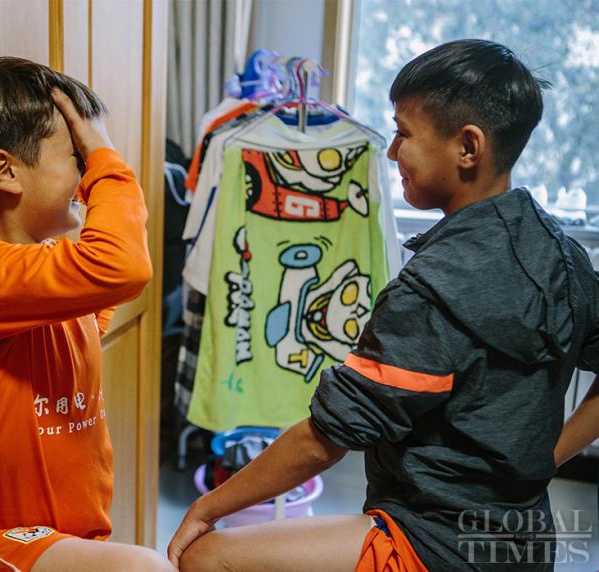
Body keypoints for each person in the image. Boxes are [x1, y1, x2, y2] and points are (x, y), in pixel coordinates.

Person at [168, 39, 599, 572]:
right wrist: (543, 459)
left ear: (468, 147)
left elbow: (323, 442)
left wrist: (206, 507)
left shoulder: (437, 287)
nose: (392, 152)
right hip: (526, 539)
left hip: (435, 545)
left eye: (402, 133)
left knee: (209, 557)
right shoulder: (564, 255)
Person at [0, 57, 170, 572]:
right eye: (77, 158)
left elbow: (109, 267)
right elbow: (122, 265)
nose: (88, 177)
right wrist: (105, 156)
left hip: (67, 543)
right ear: (5, 171)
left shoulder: (47, 282)